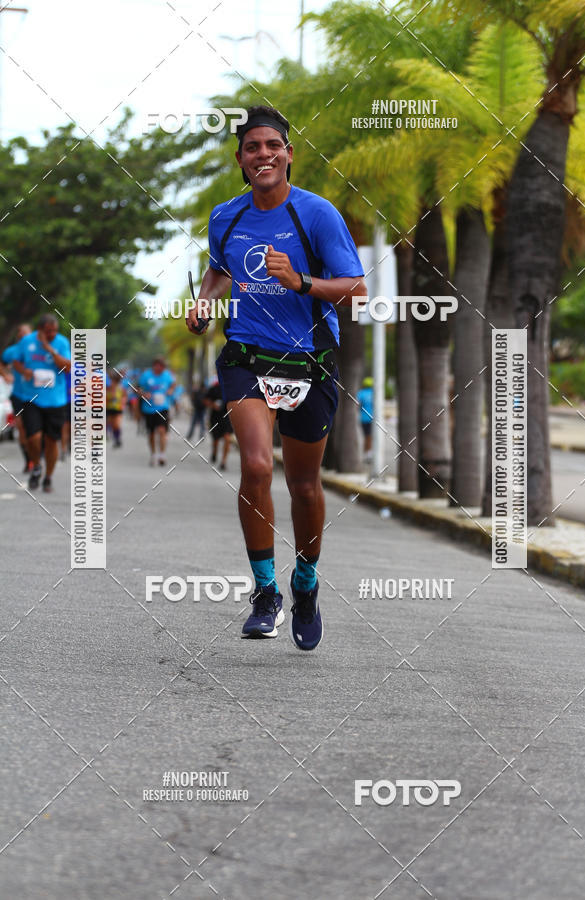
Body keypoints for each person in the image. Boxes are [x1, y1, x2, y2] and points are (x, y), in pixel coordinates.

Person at [186, 104, 367, 650]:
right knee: (258, 466)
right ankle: (265, 591)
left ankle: (305, 579)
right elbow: (220, 267)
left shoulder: (317, 215)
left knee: (304, 484)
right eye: (251, 148)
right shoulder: (227, 216)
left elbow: (355, 288)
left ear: (289, 154)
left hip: (309, 360)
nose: (262, 154)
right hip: (246, 355)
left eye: (272, 146)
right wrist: (202, 302)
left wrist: (301, 281)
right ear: (241, 160)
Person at [8, 314, 71, 492]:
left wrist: (49, 348)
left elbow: (67, 367)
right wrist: (24, 371)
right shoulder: (26, 341)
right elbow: (15, 362)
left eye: (54, 331)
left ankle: (48, 477)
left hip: (56, 400)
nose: (52, 334)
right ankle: (36, 465)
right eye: (48, 331)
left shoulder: (62, 343)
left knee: (51, 441)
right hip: (32, 398)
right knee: (33, 437)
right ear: (40, 329)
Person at [1, 322, 33, 473]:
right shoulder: (12, 351)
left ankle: (36, 456)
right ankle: (29, 460)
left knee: (34, 429)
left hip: (37, 395)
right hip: (18, 394)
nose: (22, 336)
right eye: (20, 333)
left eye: (25, 333)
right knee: (21, 427)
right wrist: (6, 376)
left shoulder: (37, 350)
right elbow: (1, 364)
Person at [138, 357, 176, 466]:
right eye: (158, 366)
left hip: (163, 407)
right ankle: (153, 454)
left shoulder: (167, 375)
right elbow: (138, 388)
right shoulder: (146, 375)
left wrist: (170, 390)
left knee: (161, 430)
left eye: (162, 366)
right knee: (151, 434)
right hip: (148, 408)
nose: (160, 368)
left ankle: (162, 454)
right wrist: (144, 394)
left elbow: (173, 384)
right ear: (154, 366)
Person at [204, 376, 233, 470]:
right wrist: (213, 405)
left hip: (227, 417)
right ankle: (214, 451)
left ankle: (223, 462)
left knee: (227, 438)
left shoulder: (231, 388)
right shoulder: (214, 388)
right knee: (216, 440)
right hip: (215, 418)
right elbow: (205, 400)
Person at [106, 369, 126, 447]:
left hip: (118, 408)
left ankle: (117, 439)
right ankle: (115, 438)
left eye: (114, 381)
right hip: (109, 408)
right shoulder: (107, 388)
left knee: (116, 424)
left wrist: (122, 402)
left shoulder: (120, 388)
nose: (112, 382)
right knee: (112, 424)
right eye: (111, 381)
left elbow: (124, 396)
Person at [357, 376, 374, 462]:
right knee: (370, 436)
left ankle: (366, 454)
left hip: (363, 418)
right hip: (372, 418)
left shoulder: (361, 393)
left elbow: (358, 404)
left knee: (366, 436)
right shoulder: (374, 393)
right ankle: (369, 454)